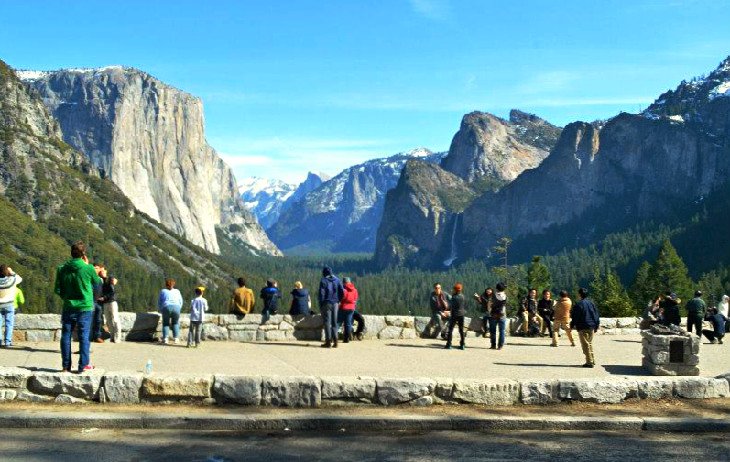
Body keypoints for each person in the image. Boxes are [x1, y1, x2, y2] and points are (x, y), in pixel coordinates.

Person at [54, 241, 102, 372]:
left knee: (66, 335)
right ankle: (83, 366)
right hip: (85, 306)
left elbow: (58, 289)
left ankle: (65, 366)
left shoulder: (61, 268)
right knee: (84, 336)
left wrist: (66, 297)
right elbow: (98, 283)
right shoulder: (88, 268)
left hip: (68, 306)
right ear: (83, 254)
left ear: (71, 253)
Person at [570, 288, 600, 368]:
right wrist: (596, 325)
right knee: (589, 343)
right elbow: (596, 314)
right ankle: (592, 360)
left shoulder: (578, 304)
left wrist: (572, 325)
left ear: (579, 294)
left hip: (583, 326)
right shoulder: (591, 303)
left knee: (585, 345)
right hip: (591, 326)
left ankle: (589, 362)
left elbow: (575, 316)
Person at [319, 266, 344, 348]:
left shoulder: (323, 280)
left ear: (324, 273)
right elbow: (342, 292)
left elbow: (321, 294)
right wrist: (338, 300)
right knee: (334, 322)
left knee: (327, 322)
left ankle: (328, 342)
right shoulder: (337, 280)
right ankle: (336, 341)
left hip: (326, 303)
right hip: (335, 303)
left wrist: (321, 304)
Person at [0, 265, 22, 348]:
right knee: (9, 323)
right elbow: (20, 279)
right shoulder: (11, 280)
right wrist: (11, 271)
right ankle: (7, 342)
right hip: (9, 304)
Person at [158, 278, 183, 344]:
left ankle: (165, 338)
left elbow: (160, 302)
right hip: (176, 307)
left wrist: (161, 309)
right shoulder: (177, 291)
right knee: (175, 323)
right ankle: (176, 338)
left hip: (166, 307)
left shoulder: (163, 291)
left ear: (166, 285)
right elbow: (181, 301)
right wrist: (178, 309)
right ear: (173, 284)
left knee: (166, 323)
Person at [100, 267, 121, 343]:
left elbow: (113, 292)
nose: (102, 273)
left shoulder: (110, 279)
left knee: (115, 319)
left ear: (105, 271)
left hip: (112, 301)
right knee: (108, 320)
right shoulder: (100, 280)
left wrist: (104, 297)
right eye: (100, 271)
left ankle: (118, 337)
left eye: (103, 271)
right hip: (105, 302)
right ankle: (112, 336)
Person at [445, 283, 466, 350]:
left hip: (454, 315)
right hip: (461, 314)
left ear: (455, 290)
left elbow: (451, 305)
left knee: (450, 329)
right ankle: (462, 344)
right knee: (461, 330)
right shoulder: (462, 296)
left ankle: (449, 344)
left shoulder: (454, 297)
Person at [339, 277, 359, 343]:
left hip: (343, 307)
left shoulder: (343, 289)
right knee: (348, 324)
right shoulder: (355, 290)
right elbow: (355, 299)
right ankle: (346, 338)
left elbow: (341, 299)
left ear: (344, 282)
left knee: (337, 322)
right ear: (350, 282)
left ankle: (333, 337)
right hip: (351, 308)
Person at [489, 282, 508, 350]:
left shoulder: (493, 295)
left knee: (493, 331)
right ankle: (500, 345)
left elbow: (490, 304)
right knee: (502, 330)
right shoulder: (505, 296)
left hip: (493, 314)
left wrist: (490, 310)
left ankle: (493, 345)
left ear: (496, 288)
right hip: (502, 314)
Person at [90, 264, 105, 343]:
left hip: (99, 302)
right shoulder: (90, 278)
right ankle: (89, 337)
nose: (96, 269)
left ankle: (97, 336)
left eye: (97, 268)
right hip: (91, 301)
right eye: (95, 268)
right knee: (91, 320)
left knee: (99, 320)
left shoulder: (101, 279)